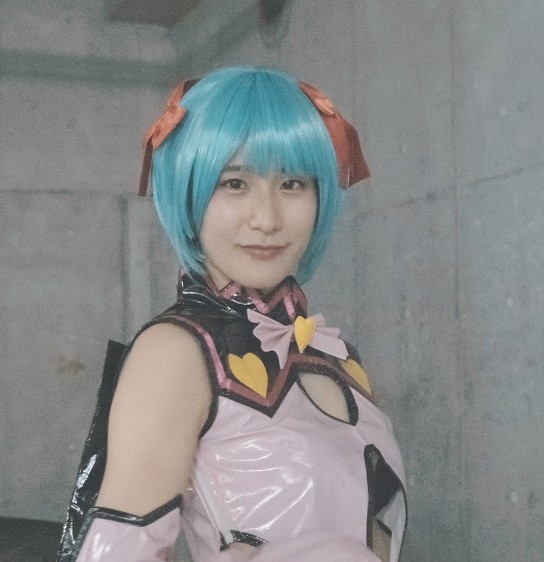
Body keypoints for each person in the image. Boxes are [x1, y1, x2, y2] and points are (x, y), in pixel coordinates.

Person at [58, 66, 407, 562]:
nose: (267, 218)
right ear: (188, 193)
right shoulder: (176, 353)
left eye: (291, 183)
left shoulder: (334, 353)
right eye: (235, 183)